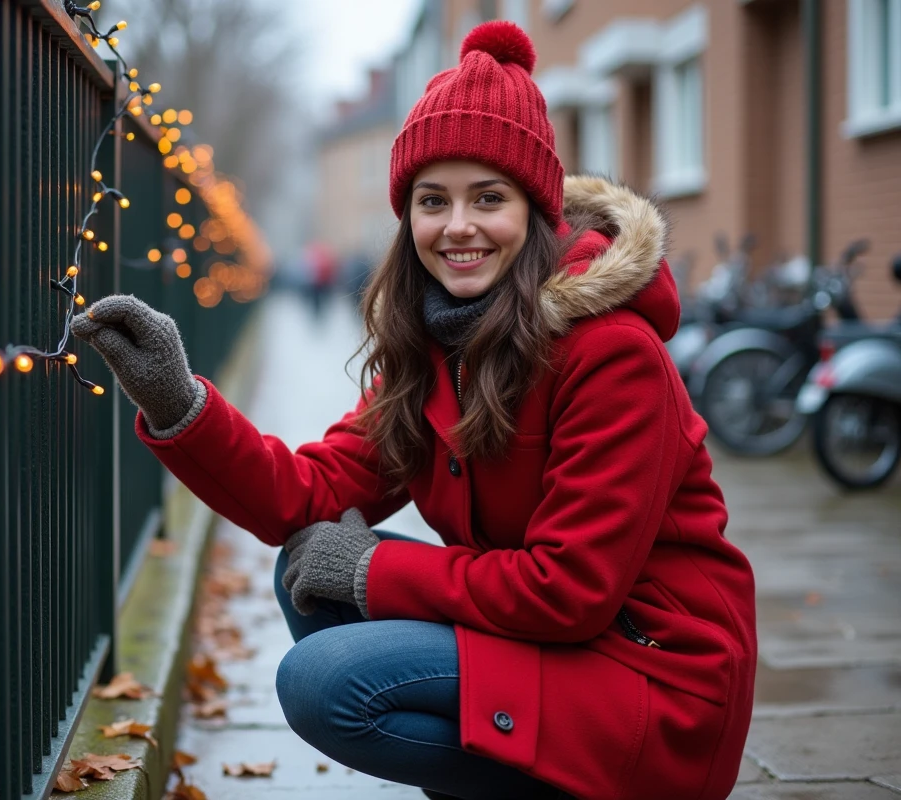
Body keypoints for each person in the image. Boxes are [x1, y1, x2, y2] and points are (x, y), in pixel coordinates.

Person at [70, 21, 756, 800]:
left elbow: (568, 591)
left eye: (488, 198)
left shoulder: (613, 354)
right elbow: (306, 494)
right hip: (555, 647)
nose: (457, 226)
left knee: (325, 680)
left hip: (651, 679)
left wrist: (374, 569)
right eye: (434, 201)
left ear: (533, 210)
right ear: (409, 219)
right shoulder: (438, 344)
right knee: (306, 565)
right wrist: (178, 402)